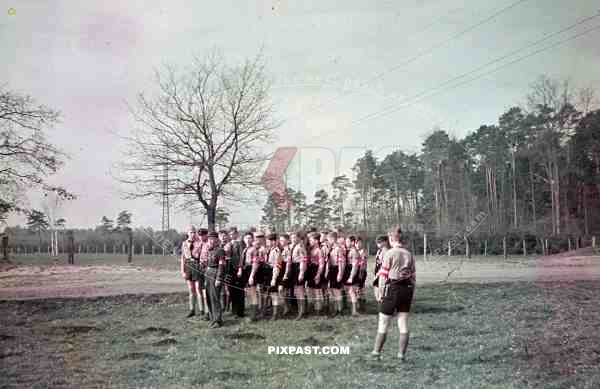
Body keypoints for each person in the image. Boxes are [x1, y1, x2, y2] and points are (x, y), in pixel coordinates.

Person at [371, 226, 416, 361]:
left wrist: (380, 293)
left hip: (392, 288)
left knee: (383, 322)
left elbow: (383, 277)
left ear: (391, 239)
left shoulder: (389, 254)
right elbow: (413, 278)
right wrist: (411, 295)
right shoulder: (409, 254)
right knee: (403, 323)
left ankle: (376, 353)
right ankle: (401, 355)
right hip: (407, 289)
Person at [205, 231, 227, 328]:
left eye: (212, 239)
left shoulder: (220, 250)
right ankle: (212, 318)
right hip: (208, 273)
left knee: (215, 297)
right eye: (209, 239)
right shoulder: (210, 250)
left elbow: (221, 265)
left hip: (215, 273)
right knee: (209, 297)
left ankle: (217, 320)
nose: (210, 240)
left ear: (216, 239)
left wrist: (219, 278)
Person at [180, 226, 201, 318]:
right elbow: (182, 258)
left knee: (198, 289)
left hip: (196, 265)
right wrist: (182, 271)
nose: (192, 234)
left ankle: (202, 310)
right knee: (191, 289)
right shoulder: (184, 243)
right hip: (188, 266)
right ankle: (192, 309)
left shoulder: (199, 243)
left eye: (194, 232)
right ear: (187, 233)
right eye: (191, 232)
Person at [326, 231, 346, 317]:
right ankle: (335, 309)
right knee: (332, 291)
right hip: (331, 269)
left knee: (337, 291)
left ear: (333, 239)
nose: (328, 241)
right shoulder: (331, 248)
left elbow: (341, 262)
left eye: (329, 239)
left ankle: (340, 310)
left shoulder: (338, 248)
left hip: (336, 269)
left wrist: (340, 273)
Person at [265, 233, 284, 320]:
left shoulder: (277, 251)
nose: (270, 242)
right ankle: (274, 312)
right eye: (269, 241)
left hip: (274, 273)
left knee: (274, 294)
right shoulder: (271, 249)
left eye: (272, 241)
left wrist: (274, 278)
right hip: (269, 272)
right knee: (271, 294)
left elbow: (277, 265)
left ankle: (275, 314)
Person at [306, 232, 326, 315]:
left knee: (317, 291)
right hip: (310, 271)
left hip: (316, 270)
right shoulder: (310, 249)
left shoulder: (319, 251)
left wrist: (318, 275)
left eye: (311, 240)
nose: (310, 241)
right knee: (311, 290)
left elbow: (321, 264)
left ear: (316, 241)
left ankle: (318, 310)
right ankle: (313, 308)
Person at [242, 232, 260, 322]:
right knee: (249, 293)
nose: (248, 240)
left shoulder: (254, 250)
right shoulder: (245, 249)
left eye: (249, 238)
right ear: (243, 239)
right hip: (245, 270)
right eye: (246, 238)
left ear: (252, 239)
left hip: (251, 270)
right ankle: (251, 313)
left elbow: (255, 263)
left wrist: (252, 276)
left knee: (253, 293)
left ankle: (254, 316)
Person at [228, 227, 245, 318]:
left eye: (233, 234)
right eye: (230, 234)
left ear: (237, 234)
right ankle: (234, 310)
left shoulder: (240, 244)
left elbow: (241, 257)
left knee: (239, 291)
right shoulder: (228, 244)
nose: (232, 235)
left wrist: (240, 269)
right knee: (232, 291)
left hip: (237, 269)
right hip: (230, 270)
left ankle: (240, 312)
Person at [193, 228, 210, 320]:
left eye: (203, 235)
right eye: (200, 235)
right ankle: (204, 311)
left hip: (208, 268)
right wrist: (198, 247)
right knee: (202, 289)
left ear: (206, 234)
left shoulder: (209, 244)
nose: (201, 237)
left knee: (206, 291)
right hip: (200, 268)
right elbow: (195, 255)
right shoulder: (198, 244)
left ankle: (208, 312)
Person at [344, 235, 360, 316]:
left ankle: (354, 311)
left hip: (352, 272)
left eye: (347, 242)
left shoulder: (354, 252)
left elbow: (355, 266)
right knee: (348, 291)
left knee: (352, 291)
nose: (346, 243)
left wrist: (351, 277)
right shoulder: (348, 250)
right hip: (347, 271)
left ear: (353, 242)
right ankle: (351, 309)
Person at [372, 235, 390, 301]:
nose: (378, 244)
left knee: (382, 292)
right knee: (376, 289)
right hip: (377, 272)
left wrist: (378, 274)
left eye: (380, 242)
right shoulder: (379, 251)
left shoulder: (386, 251)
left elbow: (384, 265)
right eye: (377, 242)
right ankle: (379, 302)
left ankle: (382, 304)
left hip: (382, 274)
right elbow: (377, 263)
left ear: (385, 242)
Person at [279, 233, 293, 317]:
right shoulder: (282, 249)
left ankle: (286, 308)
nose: (281, 242)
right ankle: (287, 307)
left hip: (286, 272)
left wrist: (286, 274)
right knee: (284, 291)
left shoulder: (288, 250)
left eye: (282, 240)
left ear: (287, 241)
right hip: (281, 271)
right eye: (280, 240)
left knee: (282, 290)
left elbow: (288, 263)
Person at [355, 237, 368, 309]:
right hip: (357, 271)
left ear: (362, 243)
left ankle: (361, 303)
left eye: (359, 243)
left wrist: (360, 272)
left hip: (362, 271)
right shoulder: (355, 251)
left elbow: (363, 263)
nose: (358, 244)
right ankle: (360, 301)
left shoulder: (363, 251)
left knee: (360, 287)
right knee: (358, 288)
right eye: (356, 243)